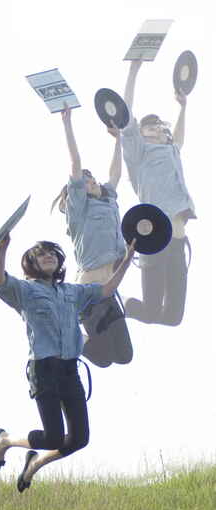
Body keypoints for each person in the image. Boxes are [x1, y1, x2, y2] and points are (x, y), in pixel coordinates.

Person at [0, 231, 135, 492]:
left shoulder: (73, 292)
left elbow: (107, 289)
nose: (47, 256)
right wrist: (2, 250)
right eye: (40, 254)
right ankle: (4, 440)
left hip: (70, 371)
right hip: (44, 369)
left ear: (59, 261)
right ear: (31, 263)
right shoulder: (26, 290)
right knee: (53, 436)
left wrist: (128, 258)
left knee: (79, 439)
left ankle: (33, 465)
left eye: (51, 253)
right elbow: (0, 282)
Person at [51, 103, 133, 367]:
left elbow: (116, 174)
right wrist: (67, 124)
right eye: (85, 181)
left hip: (110, 288)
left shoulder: (108, 201)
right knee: (103, 359)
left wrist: (118, 140)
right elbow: (76, 163)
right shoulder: (78, 211)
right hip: (88, 288)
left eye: (91, 178)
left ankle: (72, 333)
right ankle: (65, 333)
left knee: (123, 356)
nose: (92, 181)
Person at [120, 59, 195, 326]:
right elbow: (125, 118)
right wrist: (134, 70)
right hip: (154, 235)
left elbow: (179, 137)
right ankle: (121, 305)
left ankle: (124, 306)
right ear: (141, 134)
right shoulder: (138, 153)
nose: (159, 130)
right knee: (151, 311)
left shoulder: (171, 149)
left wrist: (183, 108)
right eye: (151, 128)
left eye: (161, 127)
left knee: (173, 318)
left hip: (178, 239)